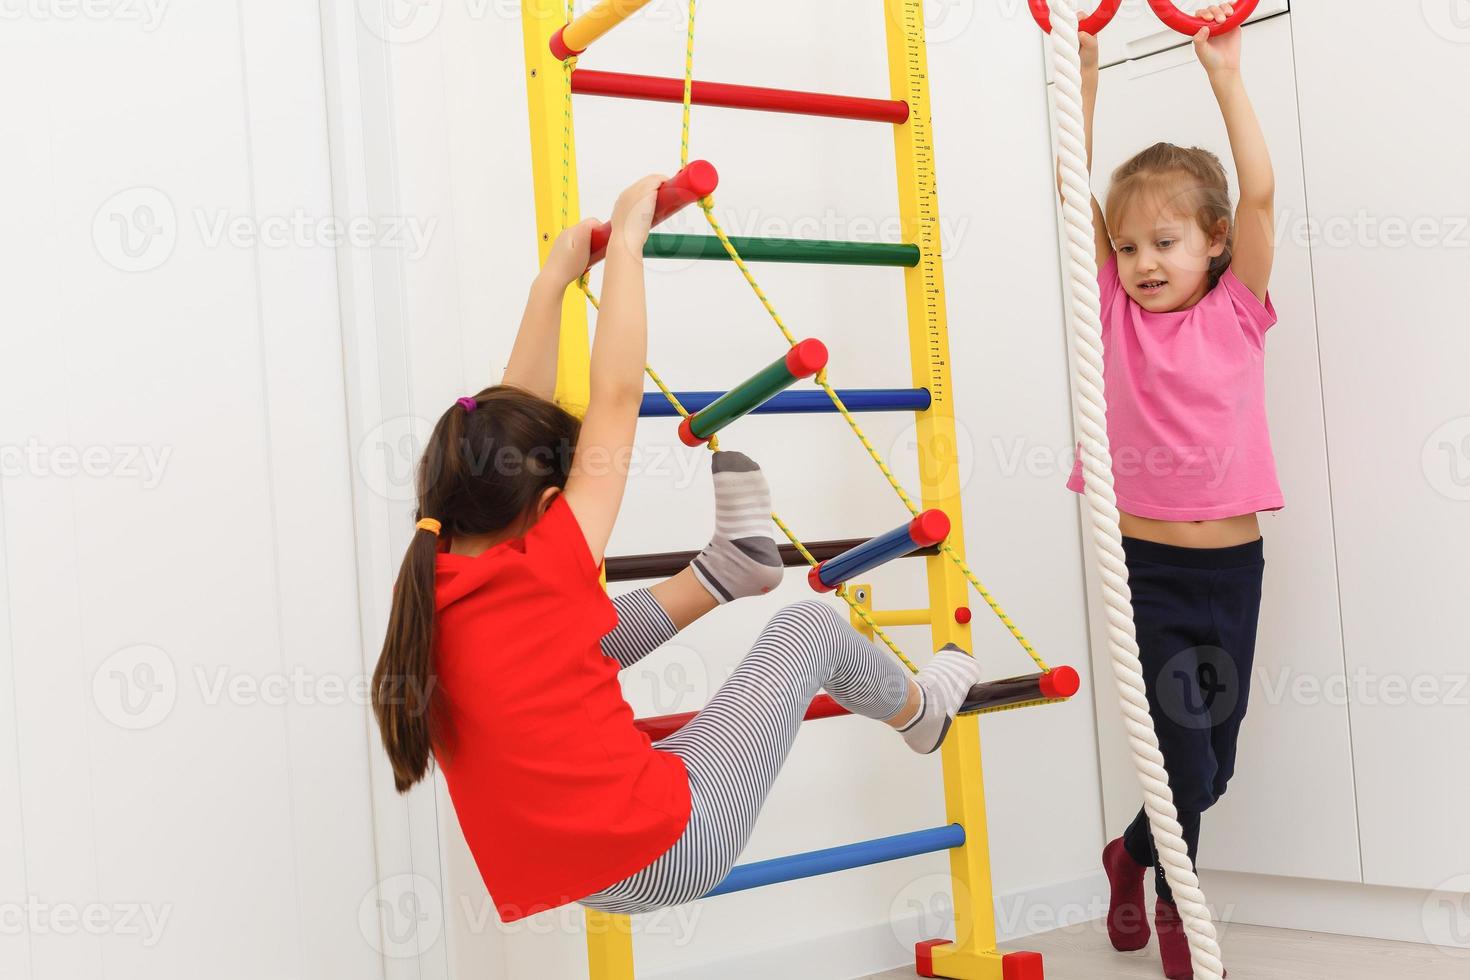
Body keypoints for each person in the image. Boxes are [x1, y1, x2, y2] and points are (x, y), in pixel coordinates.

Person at [370, 175, 984, 922]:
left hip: (581, 877)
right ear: (545, 509)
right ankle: (921, 714)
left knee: (576, 642)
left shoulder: (436, 575)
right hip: (671, 845)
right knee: (812, 627)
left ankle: (727, 570)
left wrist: (553, 283)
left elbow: (506, 421)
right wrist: (627, 246)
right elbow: (617, 396)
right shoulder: (549, 553)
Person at [1066, 6, 1279, 978]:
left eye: (1165, 242)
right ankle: (1177, 906)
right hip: (1143, 568)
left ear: (1215, 243)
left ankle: (1133, 848)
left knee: (1216, 763)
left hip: (1231, 571)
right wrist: (1084, 70)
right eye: (1129, 246)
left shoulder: (1238, 310)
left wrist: (1223, 74)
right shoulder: (1111, 311)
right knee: (1184, 755)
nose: (1143, 263)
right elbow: (1073, 190)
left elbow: (1263, 196)